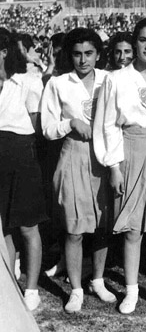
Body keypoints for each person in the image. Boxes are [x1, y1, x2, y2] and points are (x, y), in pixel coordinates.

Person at [93, 17, 146, 315]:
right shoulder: (115, 79)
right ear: (135, 40)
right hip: (129, 149)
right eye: (143, 40)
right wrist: (114, 165)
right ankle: (130, 290)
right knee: (132, 228)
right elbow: (106, 126)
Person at [41, 28, 116, 313]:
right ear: (69, 55)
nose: (83, 60)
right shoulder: (58, 84)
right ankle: (75, 289)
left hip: (105, 157)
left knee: (103, 225)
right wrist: (70, 123)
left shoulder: (109, 79)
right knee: (74, 228)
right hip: (72, 155)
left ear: (98, 54)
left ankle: (97, 279)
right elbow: (47, 129)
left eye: (89, 54)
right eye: (77, 54)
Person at [0, 29, 46, 312]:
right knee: (3, 226)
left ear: (4, 51)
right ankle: (7, 283)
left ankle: (32, 288)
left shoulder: (27, 82)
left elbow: (36, 126)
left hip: (22, 155)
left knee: (28, 226)